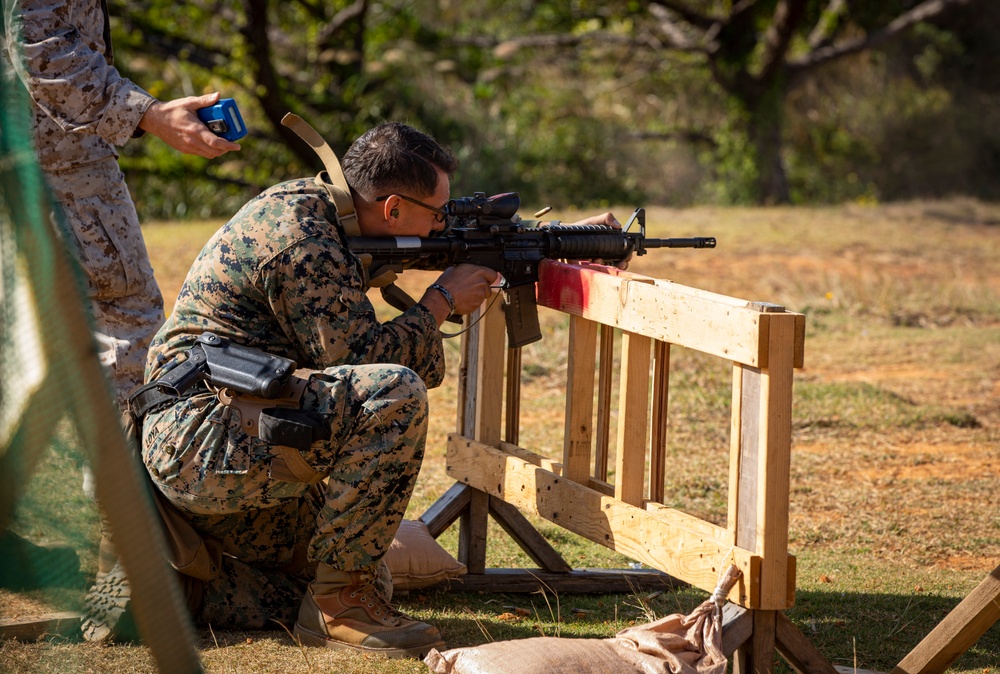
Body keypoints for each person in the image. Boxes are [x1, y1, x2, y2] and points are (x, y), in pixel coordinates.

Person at [135, 121, 620, 658]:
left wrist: (563, 237)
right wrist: (438, 303)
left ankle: (182, 590)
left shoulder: (331, 208)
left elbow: (460, 235)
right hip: (199, 439)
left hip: (247, 423)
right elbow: (361, 364)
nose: (443, 226)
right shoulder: (303, 243)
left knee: (351, 579)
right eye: (436, 213)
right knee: (392, 393)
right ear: (392, 209)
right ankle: (339, 607)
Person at [2, 0, 241, 610]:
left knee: (33, 346)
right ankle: (126, 549)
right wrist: (152, 115)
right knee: (125, 328)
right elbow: (42, 47)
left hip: (38, 156)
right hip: (56, 162)